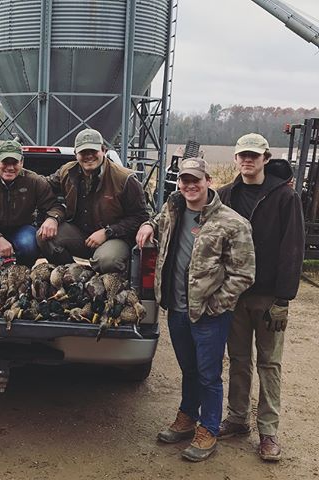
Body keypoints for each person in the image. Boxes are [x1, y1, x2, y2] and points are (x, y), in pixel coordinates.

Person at [136, 157, 255, 462]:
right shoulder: (172, 211)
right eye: (184, 180)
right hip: (176, 309)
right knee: (188, 368)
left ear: (208, 181)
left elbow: (243, 274)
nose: (190, 185)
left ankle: (209, 429)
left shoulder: (233, 223)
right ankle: (187, 417)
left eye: (195, 180)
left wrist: (217, 305)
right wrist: (147, 224)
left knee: (208, 374)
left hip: (209, 315)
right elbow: (156, 222)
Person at [217, 133, 305, 462]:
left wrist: (283, 298)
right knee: (239, 360)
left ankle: (268, 431)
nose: (247, 160)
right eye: (242, 155)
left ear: (266, 158)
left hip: (268, 296)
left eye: (254, 155)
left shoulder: (284, 197)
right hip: (235, 294)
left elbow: (292, 247)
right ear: (236, 158)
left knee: (269, 363)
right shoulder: (225, 195)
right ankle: (238, 418)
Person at [38, 128, 149, 273]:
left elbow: (140, 217)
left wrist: (107, 232)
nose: (89, 156)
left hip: (114, 237)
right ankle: (73, 275)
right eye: (84, 152)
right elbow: (40, 187)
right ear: (76, 154)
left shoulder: (125, 179)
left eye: (93, 151)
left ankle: (110, 285)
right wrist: (53, 217)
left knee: (107, 261)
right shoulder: (66, 171)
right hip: (80, 234)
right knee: (43, 236)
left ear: (104, 150)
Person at [0, 140, 63, 266]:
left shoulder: (34, 181)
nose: (10, 167)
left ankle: (21, 274)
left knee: (28, 244)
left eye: (14, 162)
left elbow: (54, 206)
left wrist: (52, 218)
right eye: (5, 162)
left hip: (20, 228)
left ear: (22, 162)